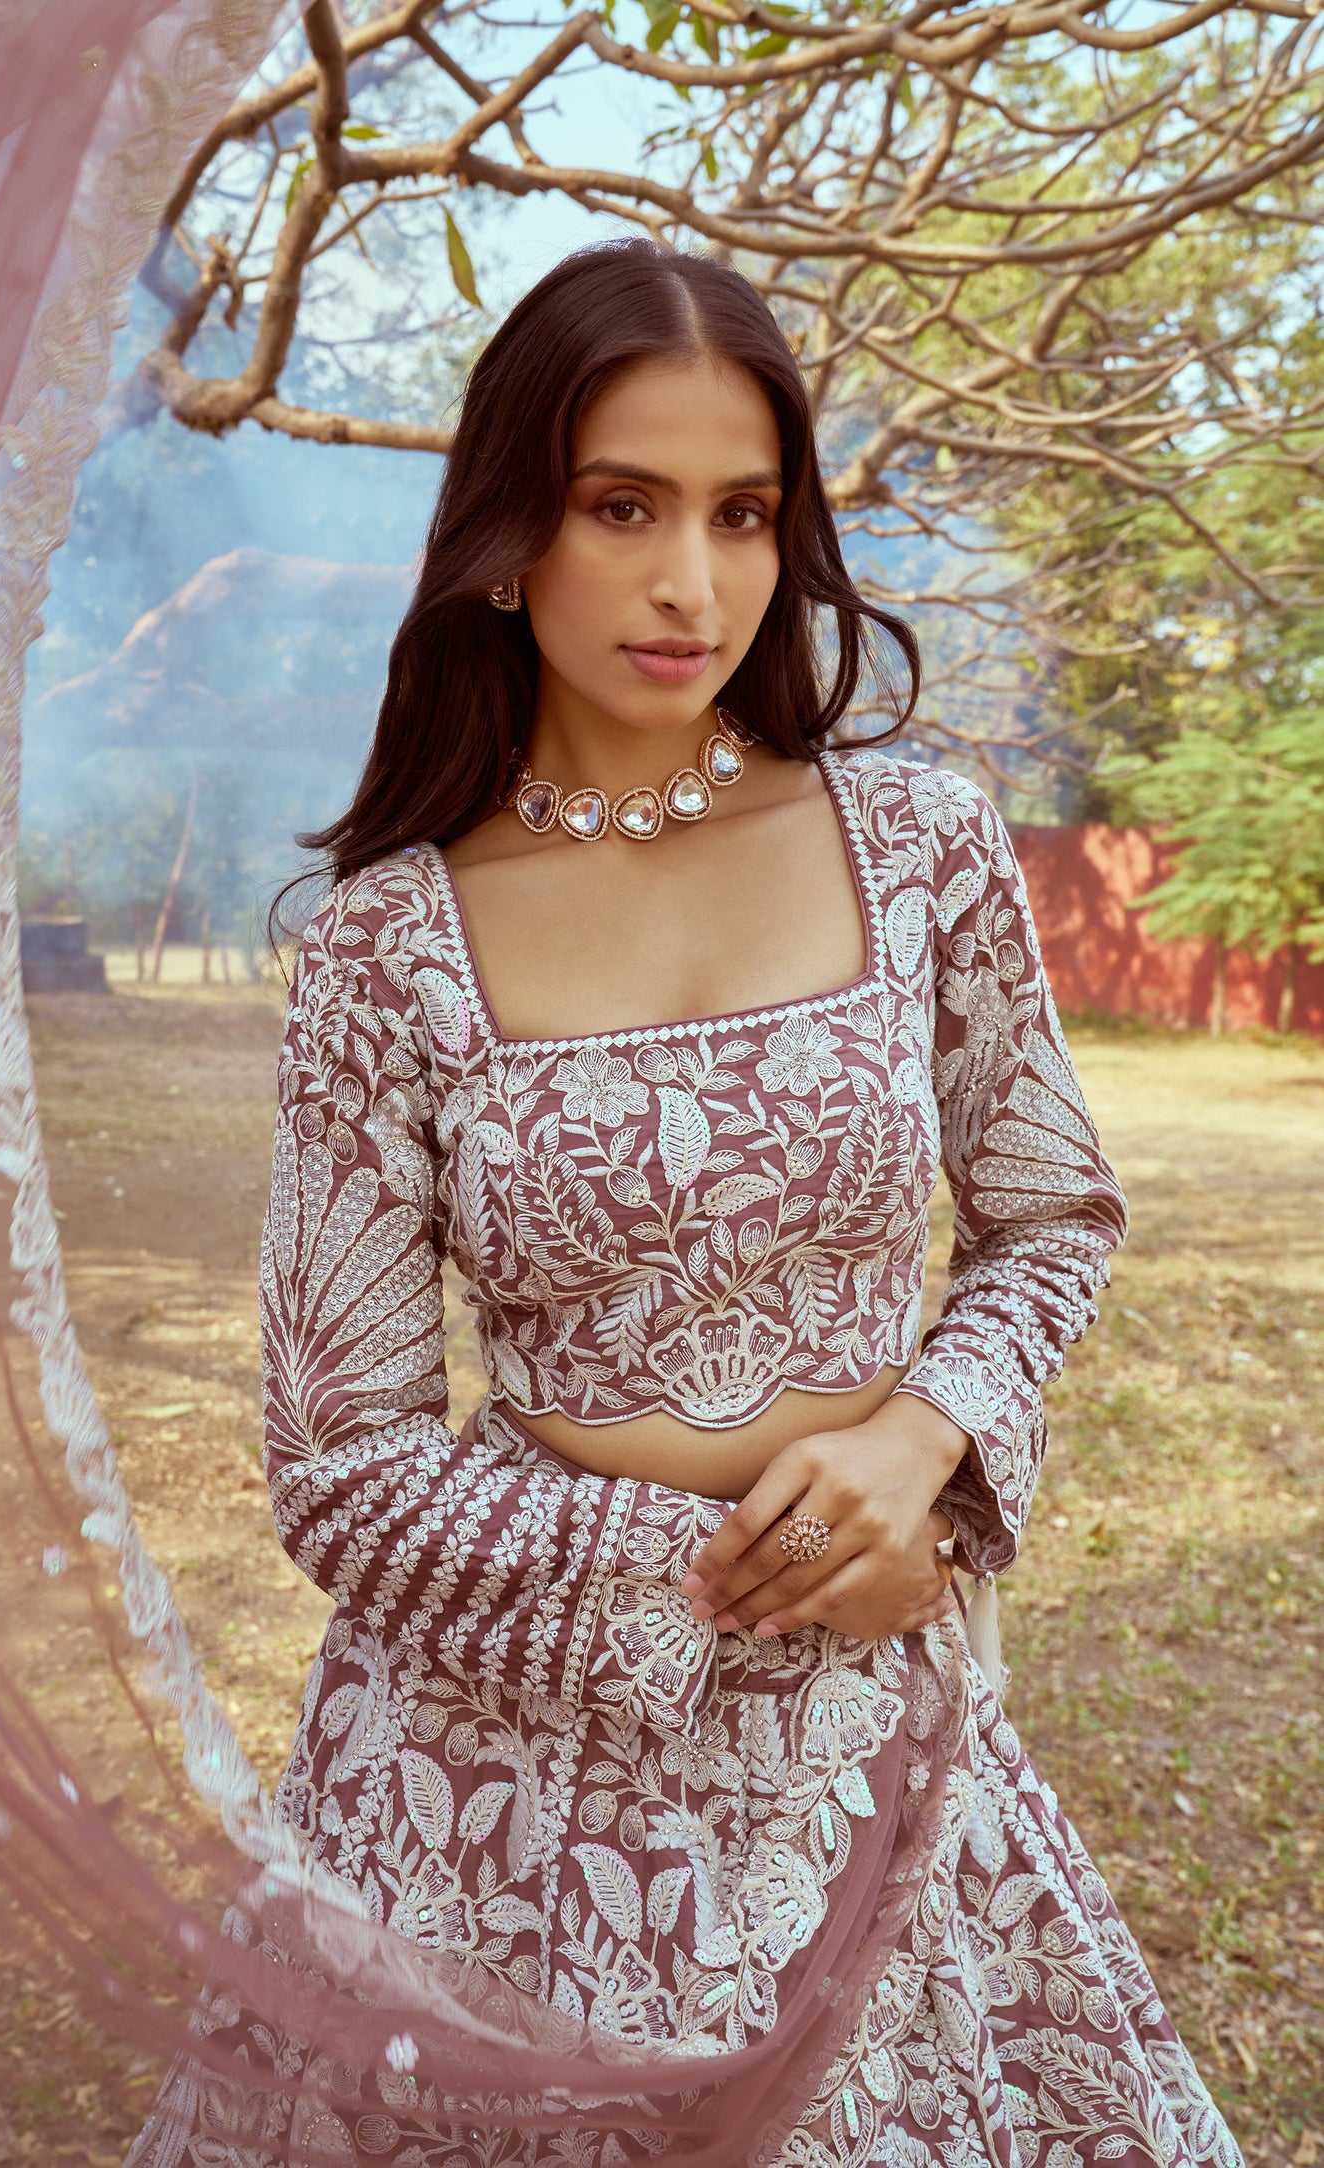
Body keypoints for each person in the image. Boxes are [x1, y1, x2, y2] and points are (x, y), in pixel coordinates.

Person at [129, 240, 1241, 2165]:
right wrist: (743, 1581)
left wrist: (924, 1446)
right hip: (489, 1793)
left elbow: (1051, 1213)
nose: (693, 587)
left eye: (743, 514)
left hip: (865, 1743)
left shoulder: (915, 842)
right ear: (507, 534)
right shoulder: (389, 946)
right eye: (621, 506)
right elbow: (343, 1468)